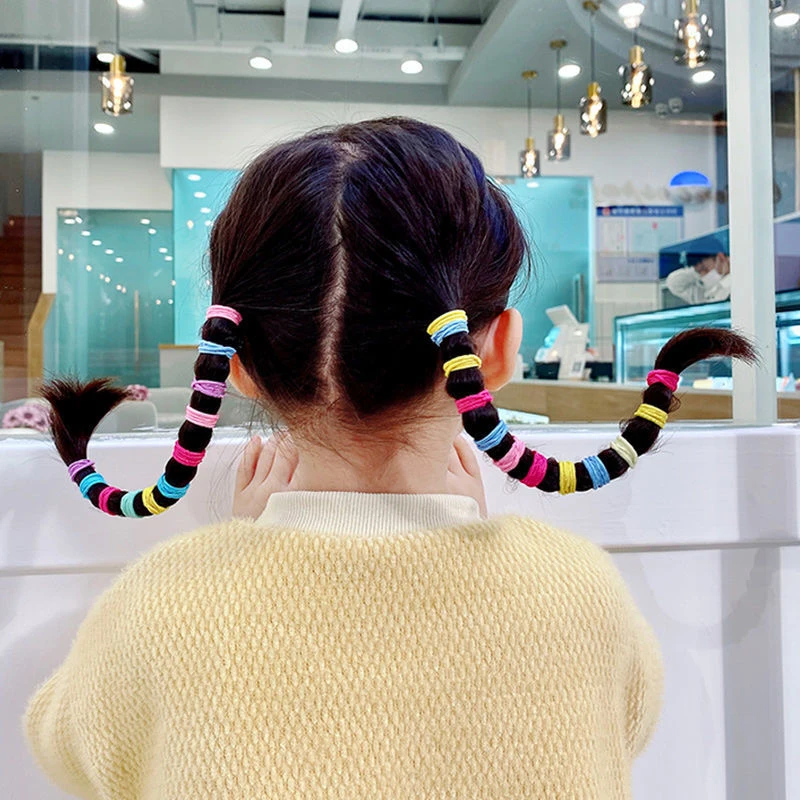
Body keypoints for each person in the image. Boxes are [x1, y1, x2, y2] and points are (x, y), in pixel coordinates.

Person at [24, 118, 754, 799]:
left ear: (236, 366)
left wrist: (240, 554)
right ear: (497, 351)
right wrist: (482, 550)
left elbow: (62, 741)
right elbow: (621, 728)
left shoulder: (160, 607)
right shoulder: (580, 594)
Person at [666, 251, 731, 305]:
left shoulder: (733, 285)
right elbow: (673, 282)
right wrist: (695, 271)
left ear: (721, 257)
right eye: (699, 273)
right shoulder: (703, 291)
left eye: (705, 269)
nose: (703, 276)